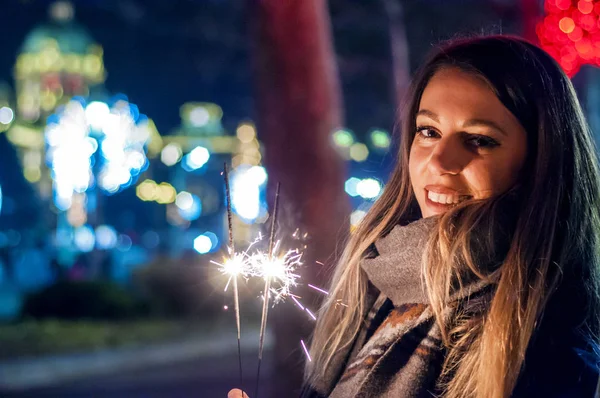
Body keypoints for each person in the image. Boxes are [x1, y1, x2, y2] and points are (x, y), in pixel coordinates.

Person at [229, 35, 600, 398]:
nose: (439, 160)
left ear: (542, 162)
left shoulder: (546, 346)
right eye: (428, 131)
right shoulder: (378, 289)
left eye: (479, 140)